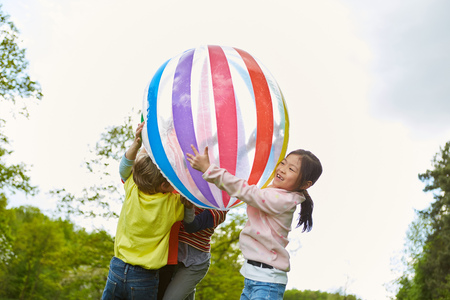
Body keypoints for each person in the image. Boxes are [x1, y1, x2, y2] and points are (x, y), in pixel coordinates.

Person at [186, 145, 322, 300]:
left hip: (267, 282)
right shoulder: (273, 193)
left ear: (305, 184)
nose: (283, 169)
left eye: (292, 169)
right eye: (283, 163)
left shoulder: (283, 200)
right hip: (253, 277)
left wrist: (209, 170)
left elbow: (246, 191)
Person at [101, 122, 194, 300]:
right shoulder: (173, 204)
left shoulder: (132, 188)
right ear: (165, 185)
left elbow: (124, 167)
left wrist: (138, 143)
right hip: (144, 277)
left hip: (117, 268)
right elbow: (189, 218)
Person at [161, 206, 227, 300]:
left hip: (195, 263)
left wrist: (188, 206)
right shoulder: (189, 192)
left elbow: (192, 226)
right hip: (173, 255)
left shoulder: (220, 208)